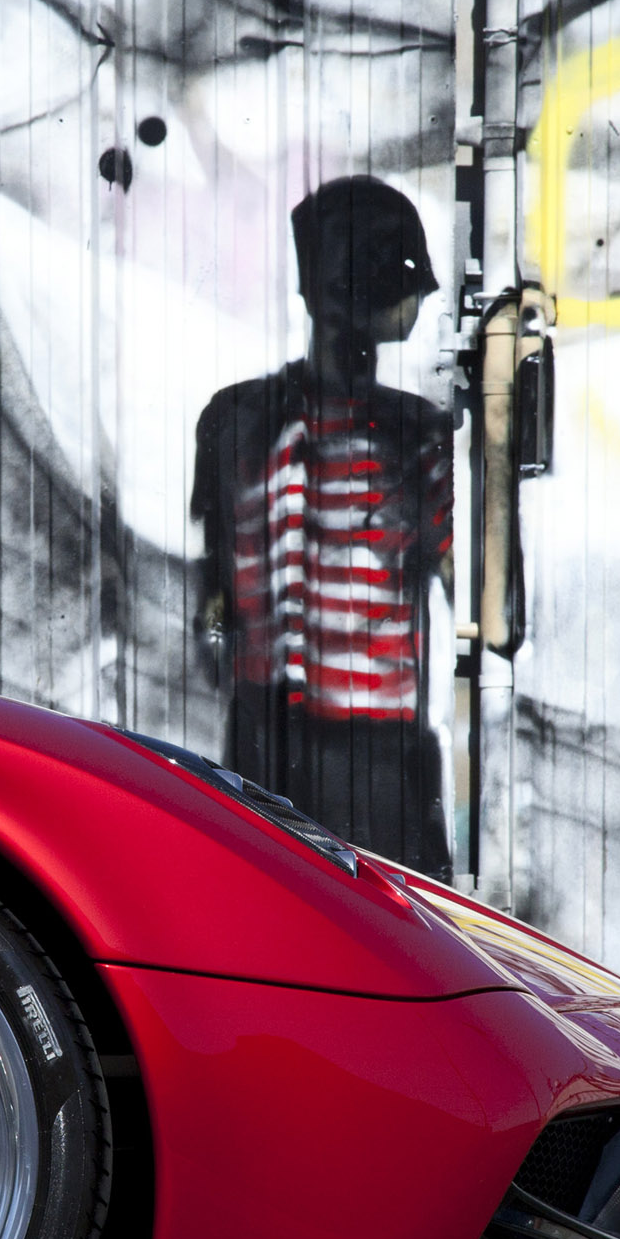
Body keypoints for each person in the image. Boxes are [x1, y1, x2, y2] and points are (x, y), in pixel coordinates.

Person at [192, 175, 453, 876]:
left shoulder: (234, 418)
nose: (423, 299)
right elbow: (496, 613)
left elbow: (213, 612)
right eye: (406, 279)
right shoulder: (419, 436)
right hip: (365, 753)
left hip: (278, 741)